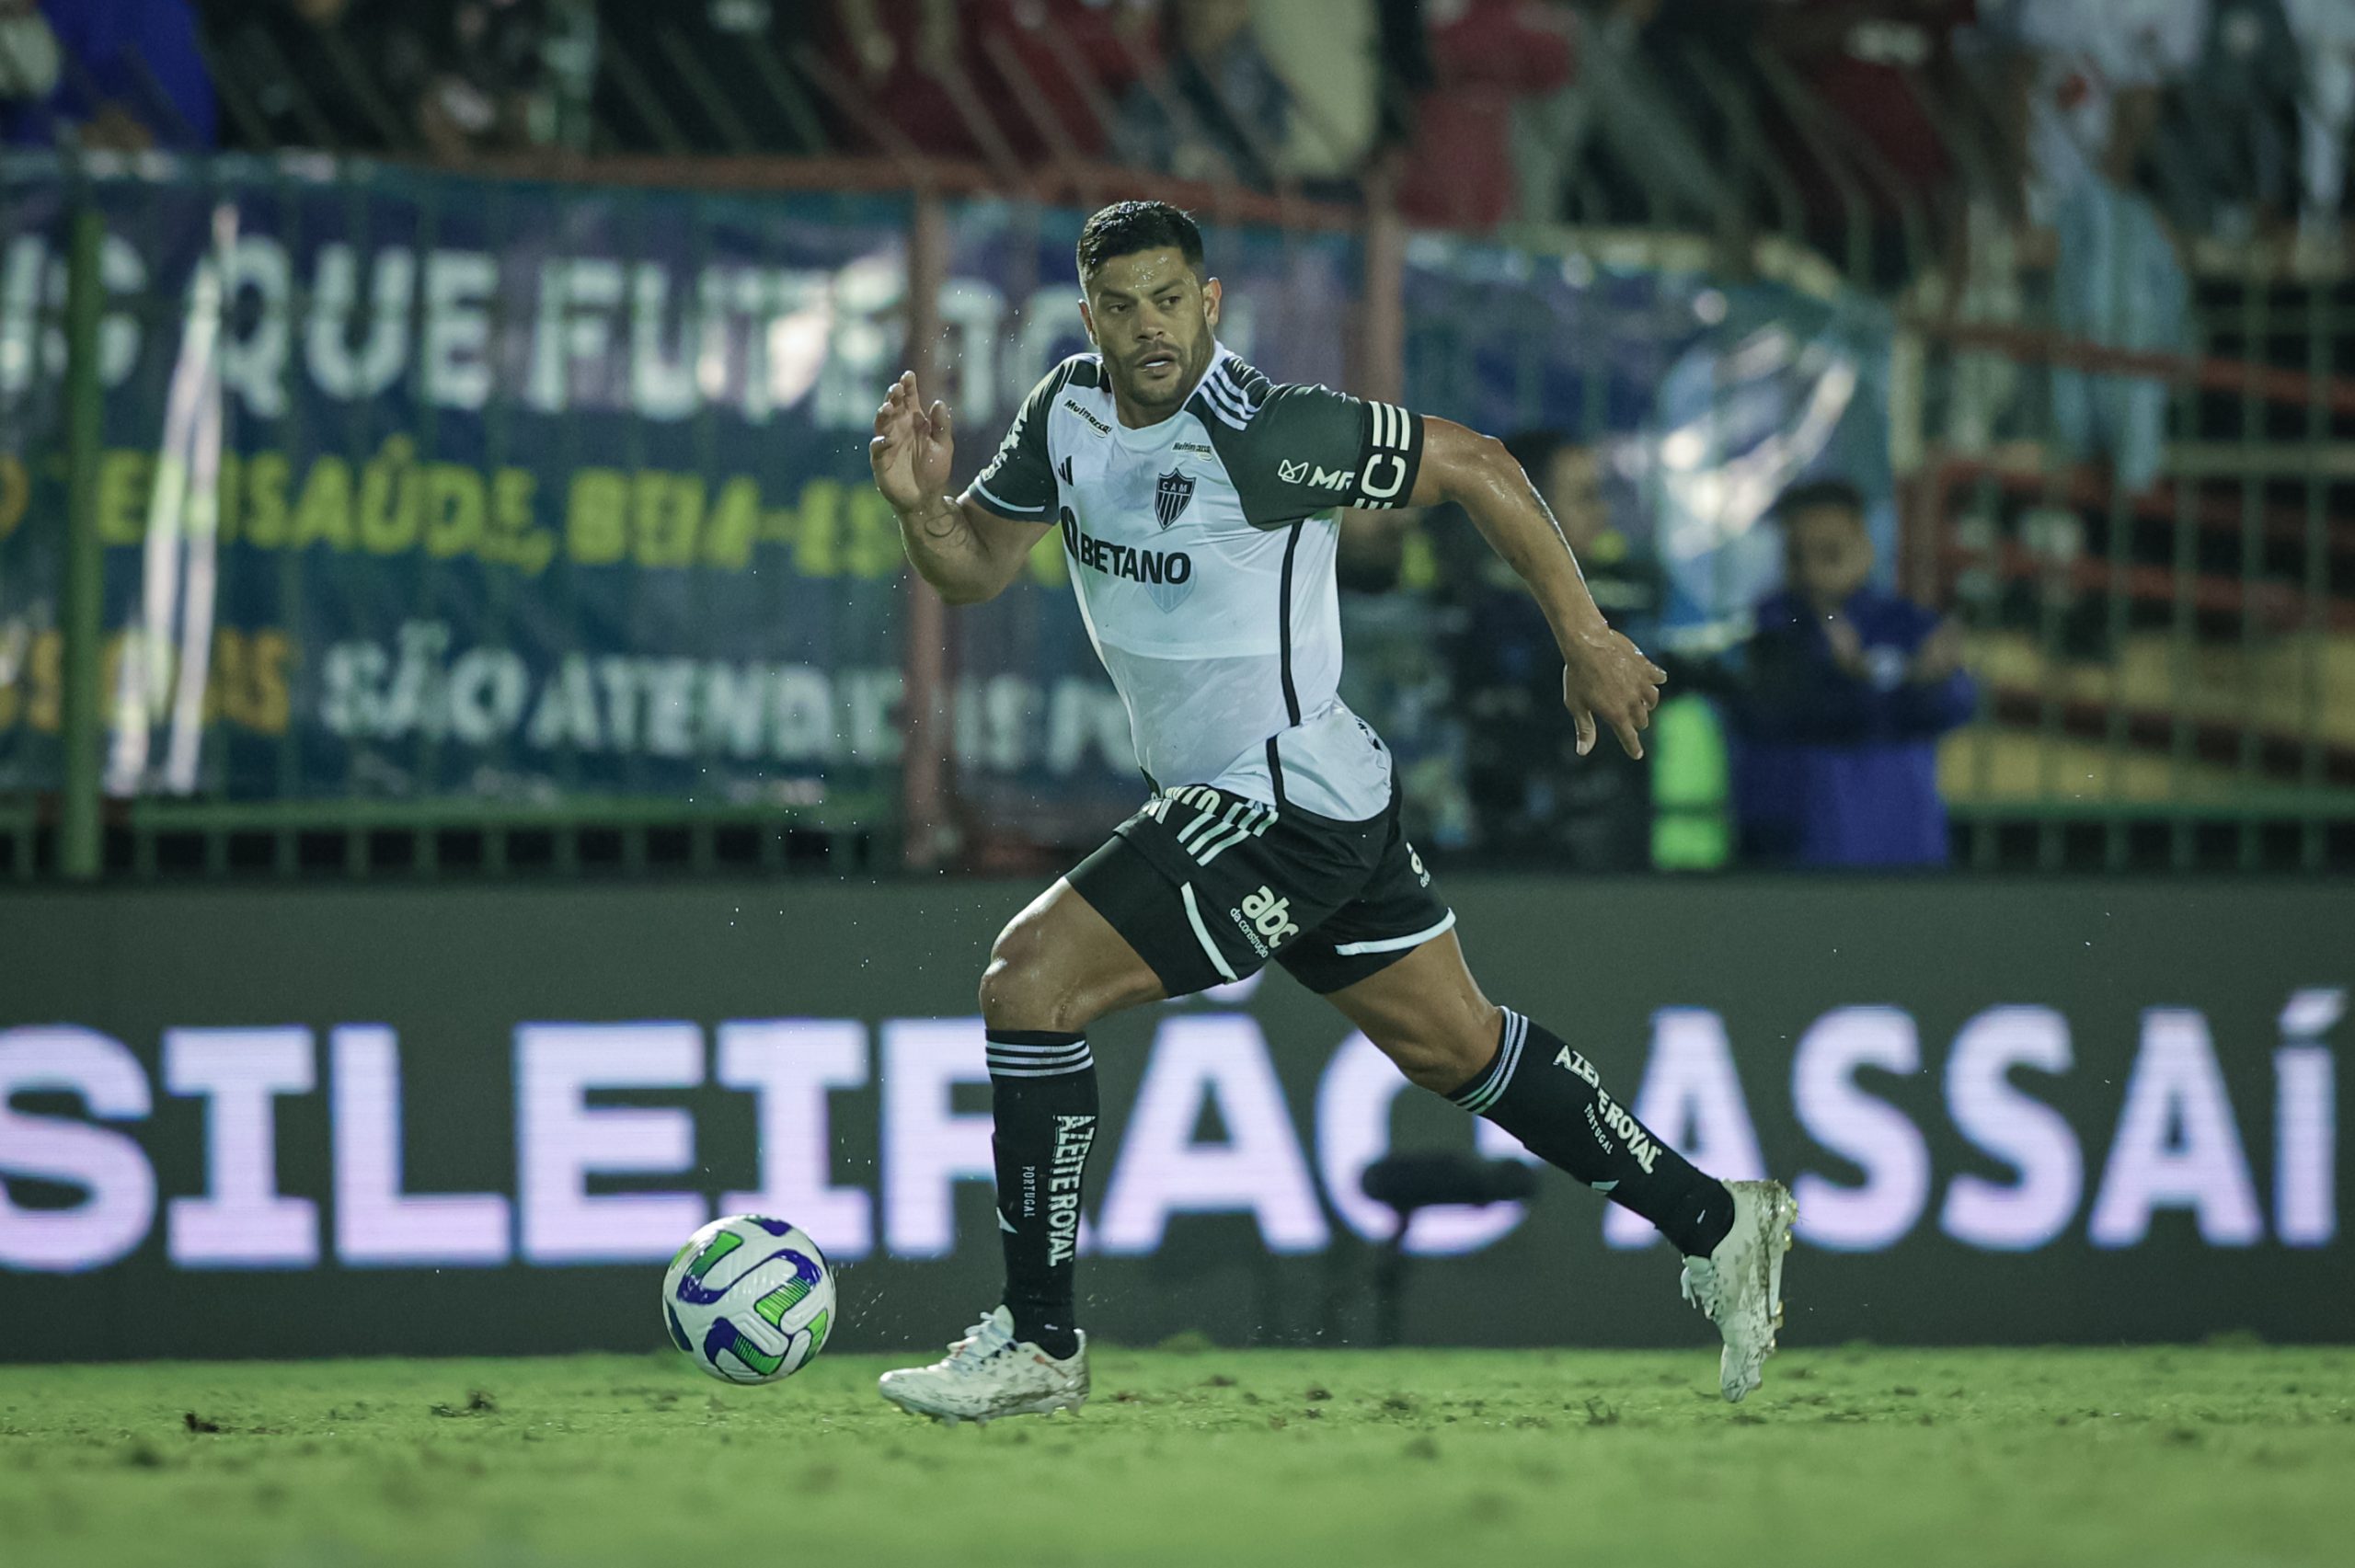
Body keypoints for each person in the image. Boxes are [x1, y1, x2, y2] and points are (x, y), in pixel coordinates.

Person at [866, 200, 1797, 1424]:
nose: (1148, 328)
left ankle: (1040, 1345)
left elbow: (1478, 465)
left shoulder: (1270, 434)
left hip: (1276, 800)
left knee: (1027, 982)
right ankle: (1720, 1219)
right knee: (1458, 1049)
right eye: (1120, 305)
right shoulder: (1066, 413)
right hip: (1308, 797)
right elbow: (978, 564)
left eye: (1169, 300)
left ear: (1210, 302)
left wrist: (1585, 633)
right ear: (1087, 314)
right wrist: (921, 509)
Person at [1728, 478, 1975, 869]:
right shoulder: (1773, 627)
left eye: (1829, 554)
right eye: (1797, 557)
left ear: (1865, 548)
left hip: (1901, 845)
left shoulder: (1903, 623)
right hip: (1800, 854)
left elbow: (1956, 701)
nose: (1811, 572)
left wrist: (1928, 684)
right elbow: (1782, 708)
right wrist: (1866, 685)